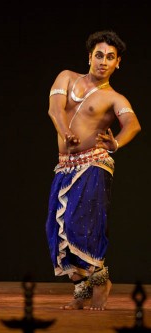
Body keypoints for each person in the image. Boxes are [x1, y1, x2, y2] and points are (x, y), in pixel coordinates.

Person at [45, 30, 141, 311]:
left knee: (81, 225)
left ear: (117, 63)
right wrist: (64, 132)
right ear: (90, 56)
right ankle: (81, 290)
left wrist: (117, 143)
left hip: (94, 163)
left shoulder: (115, 98)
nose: (103, 61)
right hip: (64, 166)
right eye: (99, 55)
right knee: (57, 229)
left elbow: (133, 124)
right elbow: (54, 109)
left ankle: (100, 281)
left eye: (110, 57)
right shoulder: (66, 77)